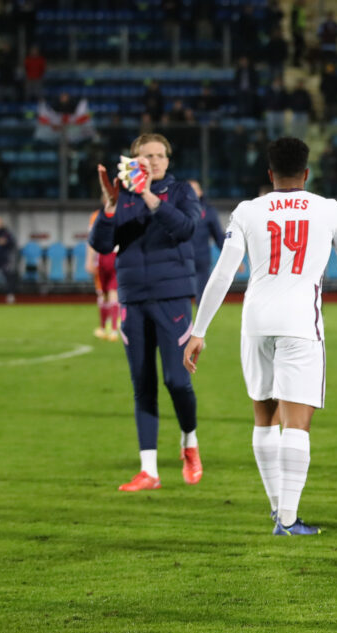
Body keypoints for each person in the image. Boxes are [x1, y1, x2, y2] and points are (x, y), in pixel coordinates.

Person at [184, 137, 337, 536]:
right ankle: (287, 519)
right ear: (307, 173)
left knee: (265, 418)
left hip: (255, 320)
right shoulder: (328, 209)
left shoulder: (248, 211)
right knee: (297, 424)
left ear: (269, 175)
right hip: (299, 324)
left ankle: (278, 511)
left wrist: (198, 330)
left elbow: (222, 272)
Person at [89, 133, 203, 492]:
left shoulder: (182, 191)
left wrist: (150, 197)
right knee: (143, 385)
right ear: (134, 161)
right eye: (145, 157)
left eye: (158, 156)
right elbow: (101, 243)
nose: (152, 162)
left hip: (171, 297)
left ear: (168, 161)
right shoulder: (121, 196)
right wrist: (109, 207)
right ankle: (149, 470)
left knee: (176, 380)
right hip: (133, 298)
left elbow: (185, 229)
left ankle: (189, 441)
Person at [186, 180, 226, 303]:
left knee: (202, 295)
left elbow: (218, 236)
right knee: (180, 296)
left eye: (194, 189)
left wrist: (231, 257)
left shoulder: (209, 211)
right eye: (188, 190)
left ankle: (200, 322)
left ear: (200, 192)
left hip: (201, 259)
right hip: (182, 259)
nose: (191, 193)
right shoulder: (175, 211)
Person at [86, 208, 120, 341]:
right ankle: (111, 329)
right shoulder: (124, 211)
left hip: (104, 256)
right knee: (110, 292)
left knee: (106, 292)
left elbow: (92, 240)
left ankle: (105, 328)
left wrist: (89, 260)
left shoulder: (97, 216)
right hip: (115, 255)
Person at [0, 216, 17, 303]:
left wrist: (5, 242)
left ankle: (10, 295)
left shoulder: (6, 233)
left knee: (9, 276)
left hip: (4, 259)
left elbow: (13, 243)